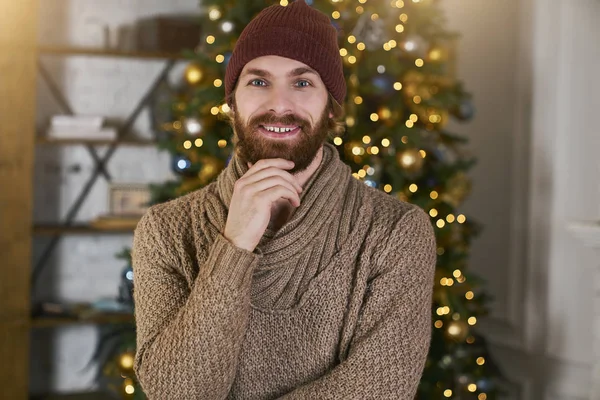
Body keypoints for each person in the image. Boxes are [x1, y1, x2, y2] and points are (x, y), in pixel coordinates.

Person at [132, 1, 436, 399]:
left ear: (331, 108)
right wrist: (234, 245)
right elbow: (178, 393)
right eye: (258, 82)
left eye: (302, 82)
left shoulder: (396, 232)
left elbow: (381, 389)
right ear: (232, 103)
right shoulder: (165, 231)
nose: (279, 104)